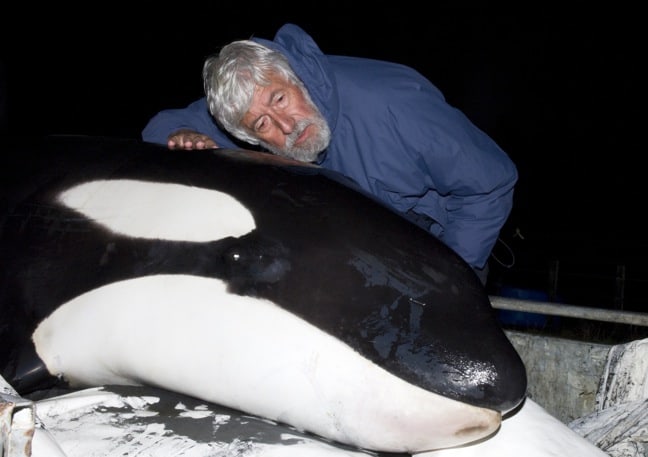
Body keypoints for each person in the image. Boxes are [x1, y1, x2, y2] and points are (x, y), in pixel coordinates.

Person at [142, 23, 517, 285]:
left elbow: (489, 184)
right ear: (246, 134)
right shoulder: (252, 115)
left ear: (293, 76)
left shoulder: (394, 105)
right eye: (262, 125)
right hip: (363, 242)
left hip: (447, 239)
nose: (286, 127)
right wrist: (181, 135)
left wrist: (452, 276)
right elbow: (163, 125)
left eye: (279, 99)